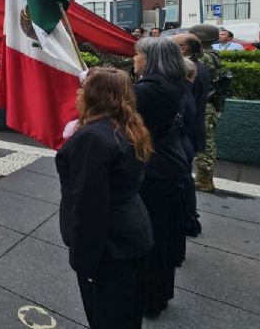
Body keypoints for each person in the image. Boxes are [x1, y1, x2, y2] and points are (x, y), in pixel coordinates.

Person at [57, 67, 154, 329]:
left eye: (83, 88)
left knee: (107, 316)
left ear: (96, 97)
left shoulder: (93, 138)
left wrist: (84, 261)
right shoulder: (128, 125)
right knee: (126, 314)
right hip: (132, 233)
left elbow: (90, 206)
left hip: (108, 245)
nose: (77, 92)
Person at [132, 37, 188, 317]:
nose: (134, 59)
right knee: (163, 234)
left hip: (153, 169)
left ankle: (149, 299)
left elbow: (121, 119)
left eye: (137, 54)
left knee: (149, 238)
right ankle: (160, 293)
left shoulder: (148, 90)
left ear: (150, 59)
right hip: (171, 162)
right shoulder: (173, 83)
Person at [173, 34, 210, 237]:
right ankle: (188, 219)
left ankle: (186, 220)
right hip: (189, 135)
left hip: (184, 136)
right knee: (184, 180)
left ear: (184, 49)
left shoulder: (187, 71)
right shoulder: (198, 67)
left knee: (182, 182)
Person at [189, 24, 229, 193]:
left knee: (204, 142)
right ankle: (204, 178)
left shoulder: (203, 57)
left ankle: (204, 180)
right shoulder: (212, 54)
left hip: (205, 105)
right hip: (208, 103)